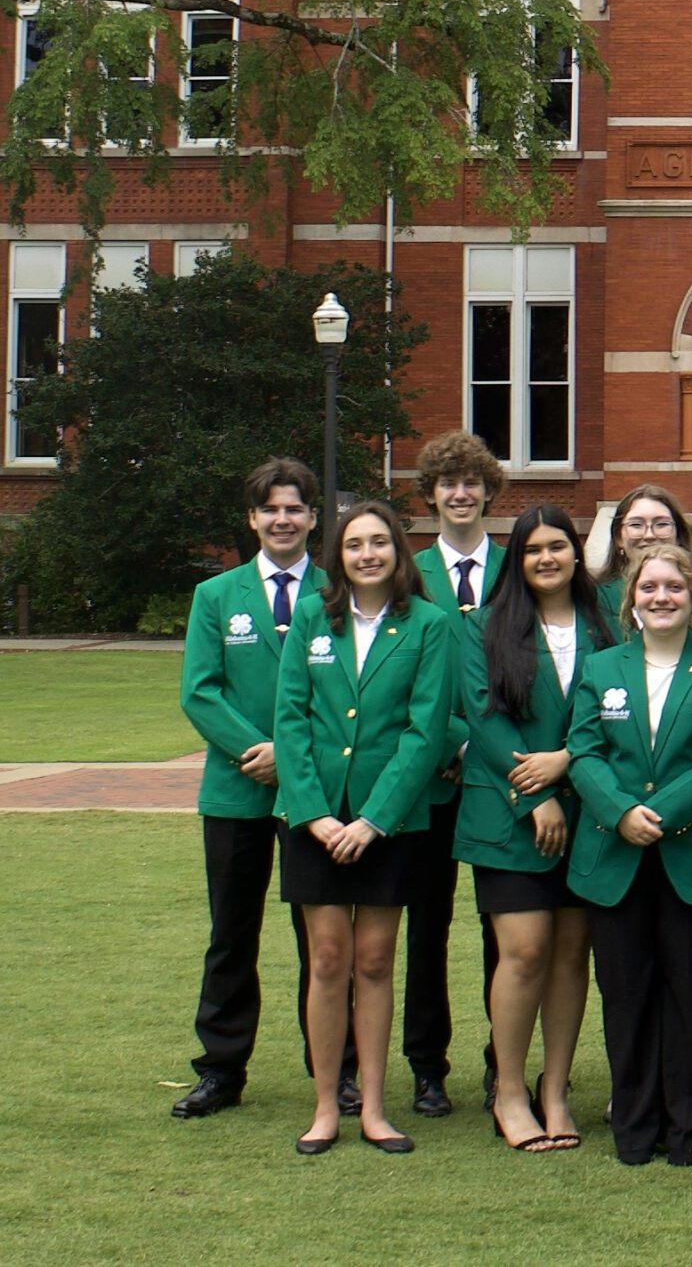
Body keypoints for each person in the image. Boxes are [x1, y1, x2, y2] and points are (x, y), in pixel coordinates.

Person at [273, 501, 457, 1155]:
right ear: (339, 555)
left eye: (380, 542)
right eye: (356, 544)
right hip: (314, 815)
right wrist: (316, 813)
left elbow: (426, 727)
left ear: (398, 552)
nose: (368, 554)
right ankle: (328, 1106)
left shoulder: (429, 625)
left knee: (376, 960)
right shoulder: (310, 620)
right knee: (327, 960)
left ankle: (376, 1108)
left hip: (391, 820)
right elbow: (290, 718)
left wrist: (375, 818)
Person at [565, 544, 692, 1167]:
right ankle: (635, 1127)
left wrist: (659, 815)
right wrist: (620, 812)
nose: (661, 596)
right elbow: (584, 753)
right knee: (626, 995)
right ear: (631, 599)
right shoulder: (601, 668)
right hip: (614, 856)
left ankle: (690, 1123)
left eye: (674, 586)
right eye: (649, 587)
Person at [457, 504, 613, 1152]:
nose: (546, 558)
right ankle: (510, 1091)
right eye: (532, 550)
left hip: (587, 815)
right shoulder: (484, 628)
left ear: (576, 554)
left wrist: (570, 766)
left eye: (558, 546)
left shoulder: (604, 628)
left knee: (572, 954)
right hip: (508, 814)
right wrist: (537, 797)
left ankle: (556, 1088)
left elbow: (614, 711)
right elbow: (484, 720)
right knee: (523, 953)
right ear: (515, 561)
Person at [172, 457, 323, 1120]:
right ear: (252, 518)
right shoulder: (217, 596)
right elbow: (199, 693)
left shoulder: (339, 593)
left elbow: (350, 692)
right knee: (233, 933)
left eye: (294, 508)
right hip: (235, 793)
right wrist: (254, 751)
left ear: (314, 517)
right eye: (271, 509)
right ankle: (221, 1070)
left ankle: (337, 1071)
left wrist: (290, 757)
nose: (282, 519)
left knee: (322, 938)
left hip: (314, 792)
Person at [401, 429, 504, 1119]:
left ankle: (507, 1064)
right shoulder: (408, 574)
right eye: (449, 484)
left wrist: (486, 748)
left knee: (508, 932)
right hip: (433, 779)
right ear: (431, 494)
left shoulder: (520, 565)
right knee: (426, 928)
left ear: (489, 492)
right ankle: (426, 1066)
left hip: (502, 782)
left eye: (472, 483)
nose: (461, 494)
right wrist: (455, 741)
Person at [597, 484, 692, 651]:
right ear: (619, 537)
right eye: (636, 525)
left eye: (661, 524)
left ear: (678, 535)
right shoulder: (596, 599)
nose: (649, 535)